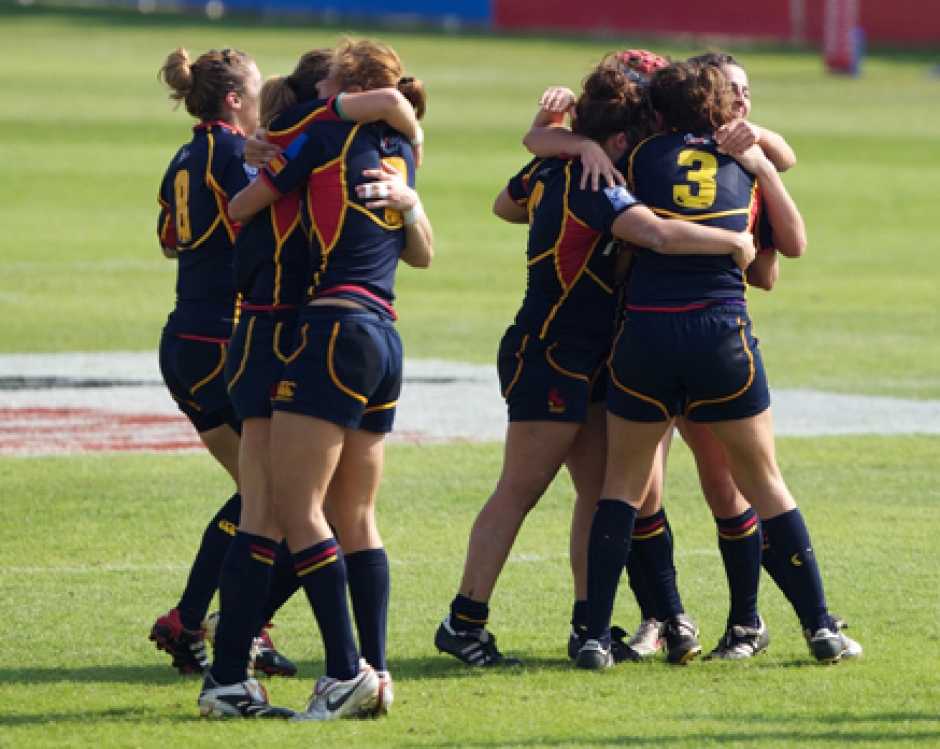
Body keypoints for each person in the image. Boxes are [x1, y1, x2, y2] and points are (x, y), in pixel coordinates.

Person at [433, 56, 756, 669]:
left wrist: (565, 140)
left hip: (591, 351)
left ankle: (602, 623)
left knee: (605, 494)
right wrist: (733, 241)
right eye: (635, 139)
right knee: (519, 490)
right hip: (553, 350)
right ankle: (463, 622)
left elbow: (508, 204)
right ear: (616, 138)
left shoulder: (558, 165)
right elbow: (658, 235)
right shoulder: (599, 183)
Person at [576, 60, 861, 669]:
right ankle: (819, 627)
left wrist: (579, 143)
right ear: (719, 108)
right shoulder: (742, 161)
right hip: (720, 337)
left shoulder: (637, 156)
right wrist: (755, 164)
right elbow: (784, 253)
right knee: (763, 485)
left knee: (621, 489)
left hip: (646, 334)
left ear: (656, 111)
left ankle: (597, 636)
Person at [199, 37, 431, 721]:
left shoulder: (314, 145)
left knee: (277, 510)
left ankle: (329, 670)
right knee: (281, 509)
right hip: (294, 333)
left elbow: (246, 208)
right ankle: (236, 674)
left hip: (301, 333)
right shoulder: (321, 145)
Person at [149, 45, 294, 679]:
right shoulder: (232, 153)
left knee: (256, 493)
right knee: (275, 495)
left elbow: (168, 240)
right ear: (236, 100)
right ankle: (230, 624)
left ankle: (204, 621)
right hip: (223, 341)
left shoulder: (185, 156)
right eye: (258, 90)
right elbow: (252, 217)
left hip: (183, 338)